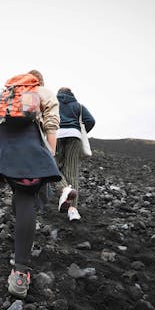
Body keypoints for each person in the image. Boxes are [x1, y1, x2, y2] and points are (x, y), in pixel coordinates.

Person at [0, 70, 61, 298]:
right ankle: (20, 273)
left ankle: (20, 225)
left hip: (3, 144)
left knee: (19, 191)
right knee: (27, 197)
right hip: (28, 144)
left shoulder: (4, 91)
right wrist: (50, 154)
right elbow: (51, 125)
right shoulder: (43, 92)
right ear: (39, 81)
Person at [54, 87, 95, 221]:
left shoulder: (54, 103)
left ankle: (64, 188)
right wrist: (79, 130)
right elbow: (91, 121)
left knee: (53, 168)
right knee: (71, 171)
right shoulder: (79, 106)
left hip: (57, 136)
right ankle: (73, 210)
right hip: (74, 137)